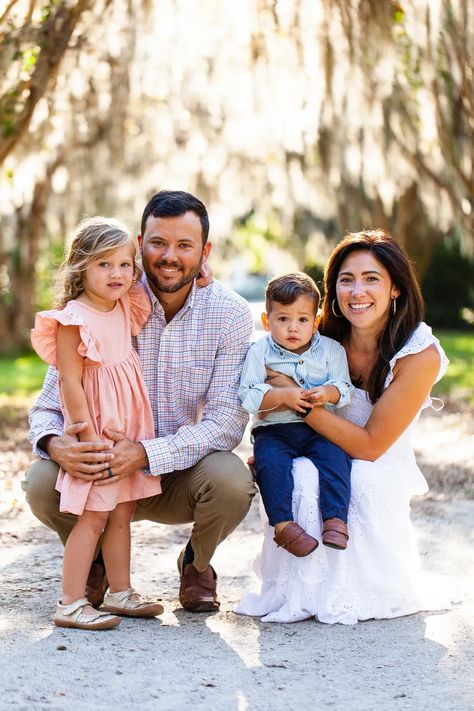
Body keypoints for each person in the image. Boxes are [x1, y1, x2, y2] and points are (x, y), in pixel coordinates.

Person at [24, 190, 256, 614]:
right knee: (41, 480)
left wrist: (146, 453)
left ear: (205, 252)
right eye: (158, 243)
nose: (169, 256)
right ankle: (95, 564)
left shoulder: (230, 314)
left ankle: (196, 562)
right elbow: (47, 405)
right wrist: (58, 445)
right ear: (138, 243)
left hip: (176, 474)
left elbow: (226, 421)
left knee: (231, 480)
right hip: (99, 467)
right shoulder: (104, 302)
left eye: (184, 245)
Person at [236, 229, 449, 624]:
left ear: (396, 289)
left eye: (372, 279)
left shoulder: (418, 353)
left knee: (357, 476)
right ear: (332, 290)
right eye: (346, 280)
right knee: (294, 472)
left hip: (377, 457)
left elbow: (370, 447)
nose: (357, 291)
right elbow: (259, 381)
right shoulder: (322, 336)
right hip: (310, 442)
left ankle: (356, 589)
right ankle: (299, 590)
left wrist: (291, 395)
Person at [30, 217, 164, 629]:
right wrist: (83, 432)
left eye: (124, 264)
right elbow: (70, 381)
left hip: (128, 425)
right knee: (93, 515)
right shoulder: (73, 319)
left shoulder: (126, 302)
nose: (116, 274)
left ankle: (120, 590)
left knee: (122, 510)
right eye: (104, 265)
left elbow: (153, 283)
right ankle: (70, 602)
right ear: (81, 268)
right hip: (98, 427)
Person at [239, 272, 352, 557]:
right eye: (283, 319)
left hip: (318, 429)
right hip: (273, 431)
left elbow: (344, 389)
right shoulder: (259, 352)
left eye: (302, 319)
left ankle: (335, 520)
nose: (293, 328)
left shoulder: (330, 350)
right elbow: (248, 396)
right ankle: (284, 527)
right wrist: (281, 397)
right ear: (267, 321)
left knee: (336, 458)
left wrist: (328, 392)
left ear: (315, 321)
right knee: (270, 465)